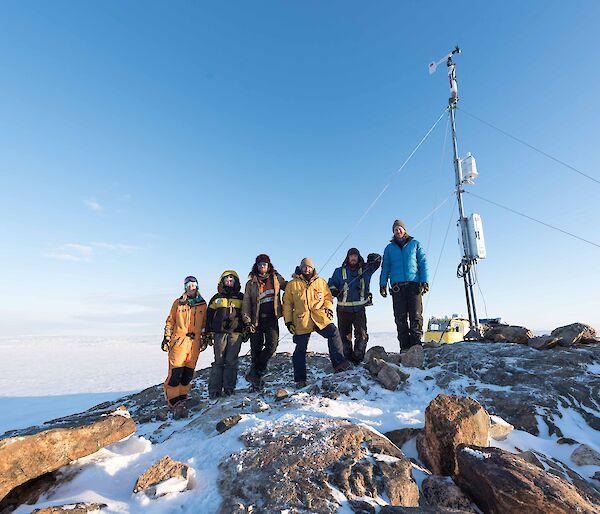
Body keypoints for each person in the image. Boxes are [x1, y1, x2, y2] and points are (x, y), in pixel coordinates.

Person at [283, 257, 351, 387]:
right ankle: (300, 379)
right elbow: (287, 304)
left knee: (334, 332)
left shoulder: (320, 282)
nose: (307, 269)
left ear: (312, 268)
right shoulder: (292, 284)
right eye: (304, 267)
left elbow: (327, 297)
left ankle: (339, 364)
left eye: (309, 267)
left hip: (319, 317)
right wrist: (288, 322)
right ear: (301, 268)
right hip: (302, 321)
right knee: (300, 349)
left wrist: (328, 309)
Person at [161, 275, 208, 418]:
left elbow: (205, 323)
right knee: (176, 372)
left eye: (193, 285)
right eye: (188, 285)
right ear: (185, 287)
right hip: (179, 341)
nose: (191, 287)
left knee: (188, 372)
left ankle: (183, 396)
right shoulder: (178, 303)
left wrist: (205, 338)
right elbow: (170, 321)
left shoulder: (202, 304)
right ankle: (173, 400)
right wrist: (166, 338)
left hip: (194, 343)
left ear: (197, 286)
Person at [379, 219, 429, 351]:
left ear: (405, 229)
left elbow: (423, 263)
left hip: (414, 285)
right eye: (395, 229)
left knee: (416, 316)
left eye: (400, 228)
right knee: (400, 318)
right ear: (393, 232)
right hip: (397, 287)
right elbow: (385, 267)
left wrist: (424, 281)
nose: (398, 230)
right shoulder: (389, 248)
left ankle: (417, 346)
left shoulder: (415, 244)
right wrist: (382, 284)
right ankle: (404, 348)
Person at [328, 248, 381, 364]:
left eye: (355, 256)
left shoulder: (365, 269)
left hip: (359, 309)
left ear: (358, 257)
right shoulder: (338, 271)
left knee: (361, 335)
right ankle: (348, 359)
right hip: (343, 309)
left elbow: (377, 263)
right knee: (344, 337)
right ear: (347, 258)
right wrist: (334, 291)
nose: (353, 258)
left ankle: (358, 359)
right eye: (351, 256)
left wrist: (375, 258)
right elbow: (330, 285)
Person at [242, 254, 287, 389]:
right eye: (260, 264)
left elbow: (288, 287)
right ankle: (256, 375)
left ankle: (255, 370)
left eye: (265, 264)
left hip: (272, 318)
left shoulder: (276, 278)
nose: (263, 266)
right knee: (256, 347)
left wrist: (298, 279)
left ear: (269, 266)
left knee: (272, 346)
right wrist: (247, 319)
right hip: (256, 320)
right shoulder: (251, 283)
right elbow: (246, 302)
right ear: (256, 266)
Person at [206, 271, 246, 399]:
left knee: (231, 362)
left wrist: (246, 330)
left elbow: (246, 314)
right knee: (219, 361)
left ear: (236, 282)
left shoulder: (241, 297)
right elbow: (209, 316)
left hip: (236, 333)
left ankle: (229, 388)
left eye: (231, 280)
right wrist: (208, 331)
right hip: (219, 333)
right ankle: (214, 390)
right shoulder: (216, 298)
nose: (229, 282)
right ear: (222, 282)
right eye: (227, 280)